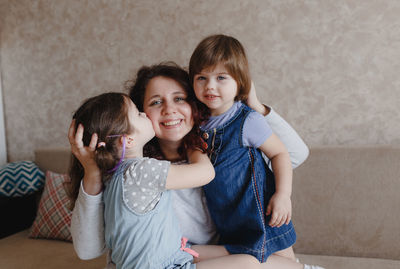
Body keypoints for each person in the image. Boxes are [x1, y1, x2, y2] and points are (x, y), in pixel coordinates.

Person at [69, 62, 316, 268]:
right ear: (141, 113)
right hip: (178, 260)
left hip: (206, 256)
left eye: (180, 98)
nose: (169, 110)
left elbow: (294, 153)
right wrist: (91, 173)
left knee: (266, 257)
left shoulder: (220, 151)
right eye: (155, 102)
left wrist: (256, 107)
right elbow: (88, 250)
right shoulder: (138, 171)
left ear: (196, 105)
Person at [69, 91, 267, 269]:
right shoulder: (143, 171)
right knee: (252, 262)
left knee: (255, 258)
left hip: (179, 255)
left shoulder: (115, 175)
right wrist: (194, 145)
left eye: (179, 98)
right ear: (127, 140)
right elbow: (205, 173)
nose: (169, 109)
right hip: (171, 263)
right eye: (142, 110)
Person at [188, 34, 318, 267]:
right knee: (251, 259)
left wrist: (283, 195)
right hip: (229, 219)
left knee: (282, 260)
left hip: (262, 213)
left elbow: (281, 154)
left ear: (240, 82)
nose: (210, 86)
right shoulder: (197, 123)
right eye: (201, 78)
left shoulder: (247, 120)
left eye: (221, 77)